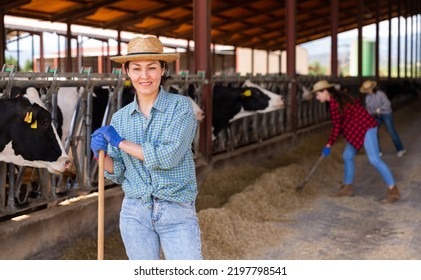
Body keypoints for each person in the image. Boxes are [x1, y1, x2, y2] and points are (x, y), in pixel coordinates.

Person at [90, 36, 202, 260]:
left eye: (151, 68)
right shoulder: (120, 118)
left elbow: (167, 157)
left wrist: (120, 142)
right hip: (135, 212)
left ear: (163, 69)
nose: (144, 76)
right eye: (137, 68)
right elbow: (119, 172)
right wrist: (99, 155)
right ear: (127, 72)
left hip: (176, 210)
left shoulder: (180, 108)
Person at [311, 80, 400, 204]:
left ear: (325, 91)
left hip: (366, 128)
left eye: (317, 94)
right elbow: (343, 123)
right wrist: (330, 142)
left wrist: (329, 144)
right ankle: (347, 188)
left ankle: (393, 190)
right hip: (356, 131)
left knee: (374, 159)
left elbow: (337, 127)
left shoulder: (335, 103)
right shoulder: (337, 100)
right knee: (347, 156)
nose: (316, 97)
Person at [359, 80, 406, 157]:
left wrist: (380, 109)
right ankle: (378, 151)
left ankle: (400, 149)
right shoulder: (367, 98)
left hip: (386, 113)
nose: (368, 91)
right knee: (374, 131)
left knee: (391, 130)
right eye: (366, 90)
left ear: (372, 88)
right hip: (376, 115)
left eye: (369, 90)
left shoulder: (380, 94)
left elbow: (387, 104)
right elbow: (368, 109)